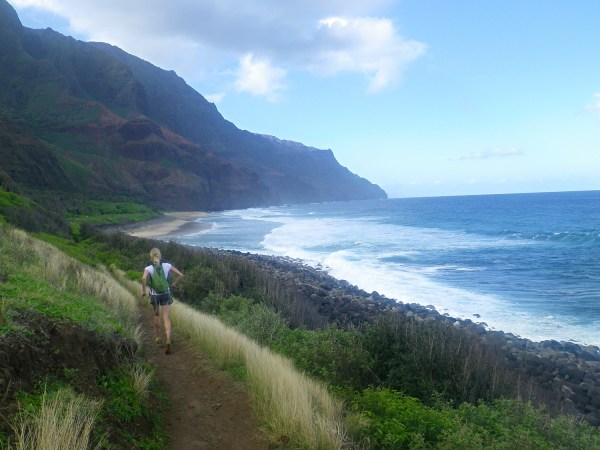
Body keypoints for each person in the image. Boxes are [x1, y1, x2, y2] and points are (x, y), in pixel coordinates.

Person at [141, 247, 183, 354]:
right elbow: (180, 275)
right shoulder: (167, 265)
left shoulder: (148, 268)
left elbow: (143, 278)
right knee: (166, 316)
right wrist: (174, 284)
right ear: (160, 255)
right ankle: (168, 339)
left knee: (156, 315)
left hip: (155, 295)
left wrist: (144, 291)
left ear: (151, 256)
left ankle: (159, 337)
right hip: (165, 293)